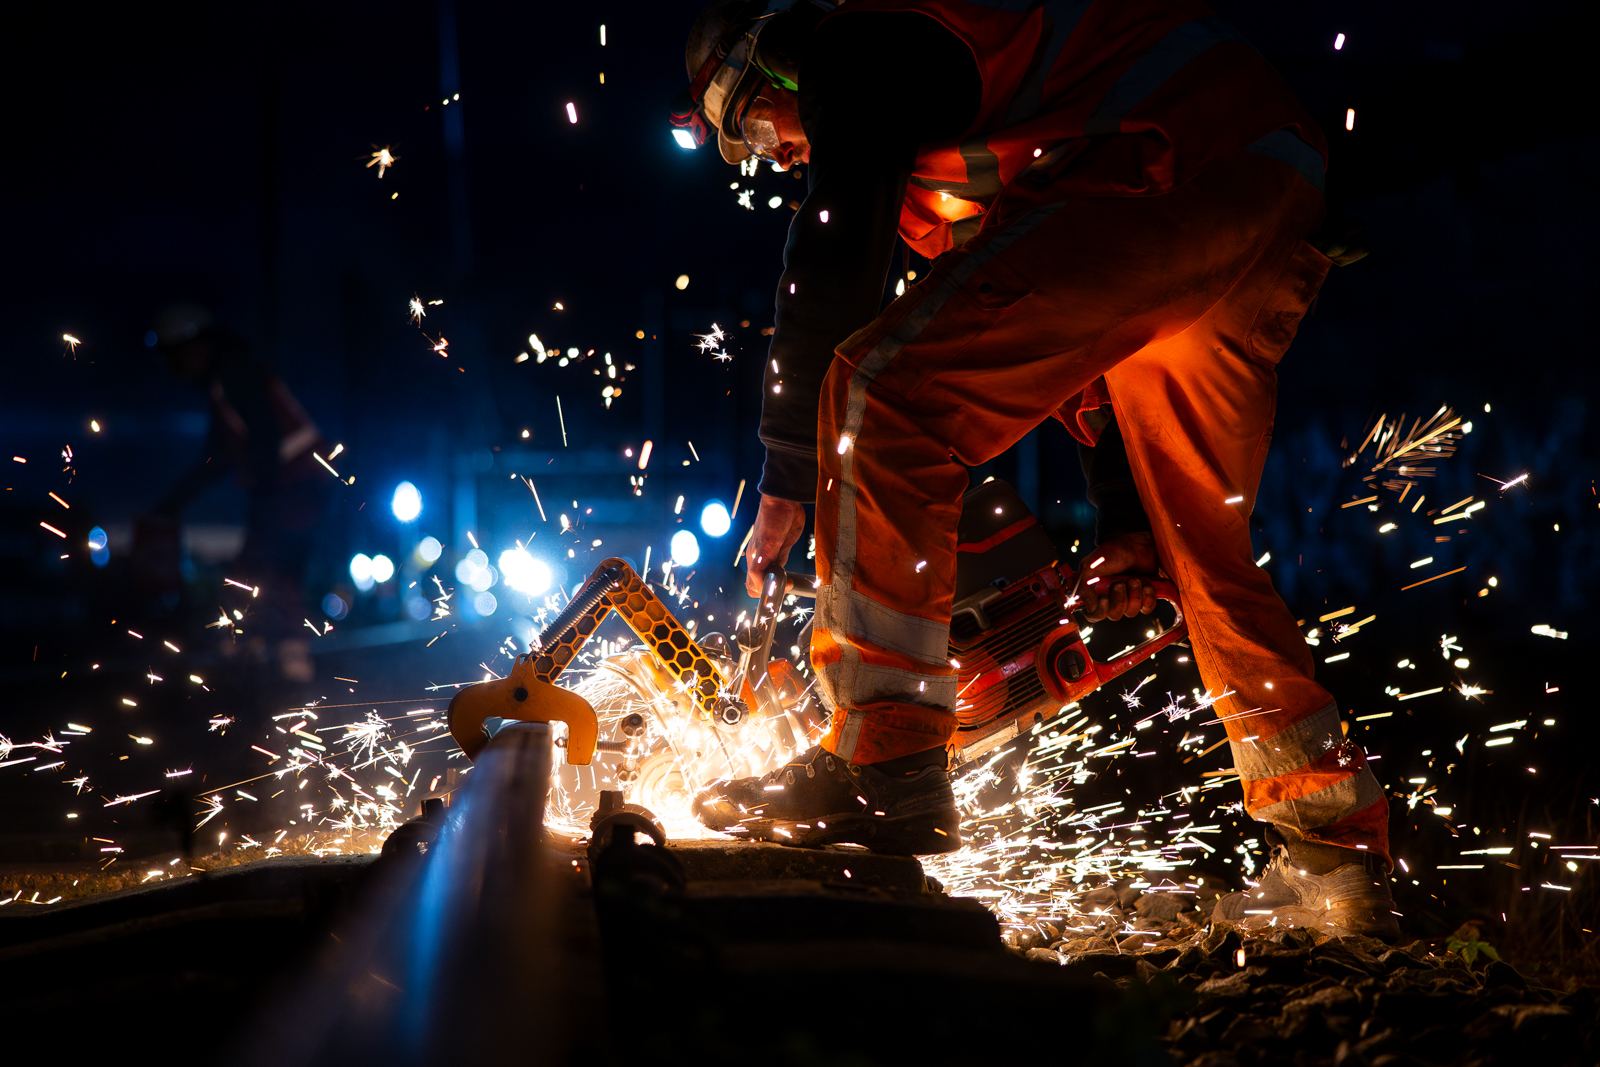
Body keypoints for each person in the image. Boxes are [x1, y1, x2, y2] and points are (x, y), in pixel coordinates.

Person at [676, 0, 1396, 939]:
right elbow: (1077, 336)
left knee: (881, 394)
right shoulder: (980, 144)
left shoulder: (861, 46)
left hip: (1159, 172)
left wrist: (787, 468)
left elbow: (832, 243)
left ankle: (881, 758)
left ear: (772, 61)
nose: (775, 157)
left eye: (756, 129)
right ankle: (1336, 859)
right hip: (1249, 175)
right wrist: (1121, 517)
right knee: (1195, 543)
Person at [135, 304, 330, 681]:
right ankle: (254, 653)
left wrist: (267, 496)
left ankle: (283, 663)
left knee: (266, 565)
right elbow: (218, 457)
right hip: (296, 484)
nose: (176, 368)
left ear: (196, 347)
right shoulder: (226, 383)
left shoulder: (237, 375)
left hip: (299, 483)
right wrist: (173, 503)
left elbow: (264, 434)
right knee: (260, 566)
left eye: (176, 357)